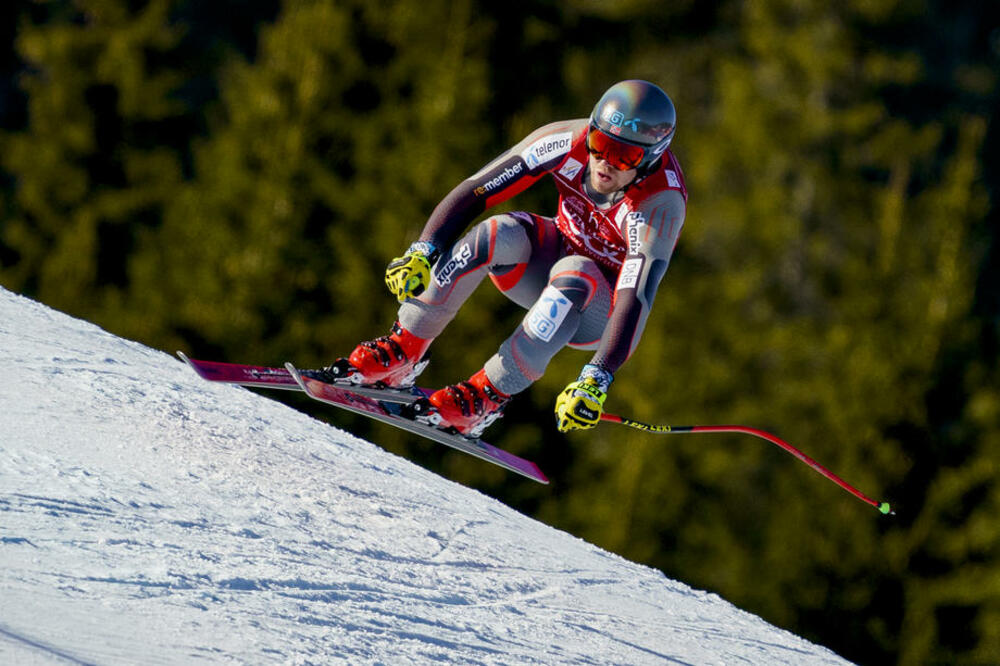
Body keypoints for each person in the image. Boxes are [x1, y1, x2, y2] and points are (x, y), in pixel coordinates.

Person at [330, 79, 687, 438]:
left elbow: (636, 296)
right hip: (549, 258)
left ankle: (485, 396)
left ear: (652, 158)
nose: (605, 163)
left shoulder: (659, 204)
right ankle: (403, 349)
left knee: (576, 271)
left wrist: (597, 376)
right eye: (600, 145)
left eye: (625, 156)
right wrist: (423, 250)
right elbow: (478, 189)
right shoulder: (567, 140)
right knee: (497, 231)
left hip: (598, 310)